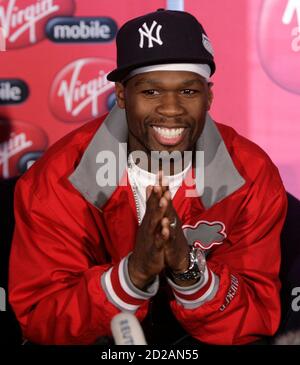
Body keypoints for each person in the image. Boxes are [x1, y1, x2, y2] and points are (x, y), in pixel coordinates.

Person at [9, 9, 287, 345]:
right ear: (122, 96)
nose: (171, 109)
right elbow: (42, 319)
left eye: (188, 91)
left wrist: (189, 271)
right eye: (151, 92)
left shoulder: (251, 173)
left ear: (209, 96)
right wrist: (132, 275)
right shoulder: (57, 179)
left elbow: (255, 318)